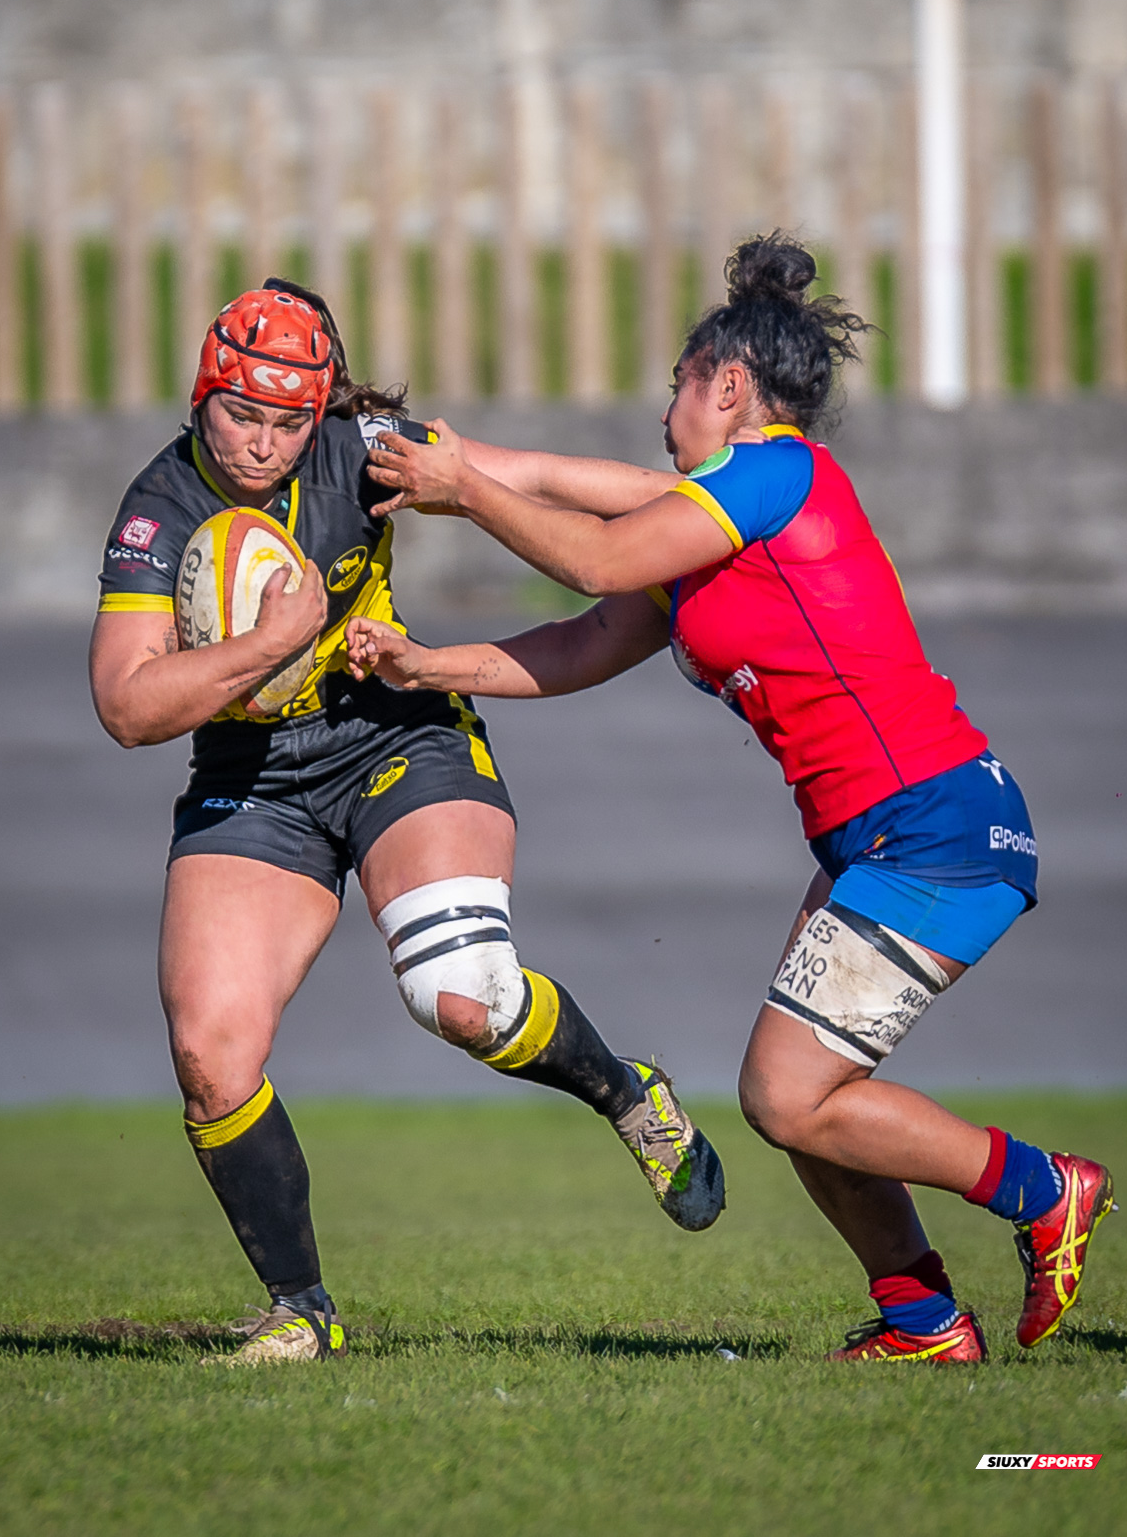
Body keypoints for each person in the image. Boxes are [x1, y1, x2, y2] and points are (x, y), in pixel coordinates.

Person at [350, 233, 1115, 1365]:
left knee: (784, 1093)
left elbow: (600, 559)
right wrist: (430, 649)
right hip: (881, 837)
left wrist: (462, 486)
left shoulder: (773, 468)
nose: (665, 413)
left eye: (675, 388)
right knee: (809, 1090)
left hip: (937, 828)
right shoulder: (718, 521)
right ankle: (922, 1321)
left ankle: (1046, 1190)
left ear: (729, 387)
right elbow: (580, 633)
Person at [89, 277, 724, 1367]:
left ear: (319, 413)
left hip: (398, 735)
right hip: (255, 779)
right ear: (203, 396)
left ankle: (627, 1092)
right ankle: (302, 1307)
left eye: (286, 424)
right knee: (209, 1053)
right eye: (240, 415)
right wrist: (270, 642)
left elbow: (523, 477)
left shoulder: (360, 449)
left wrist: (723, 509)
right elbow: (126, 705)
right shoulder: (161, 508)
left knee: (462, 999)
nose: (259, 445)